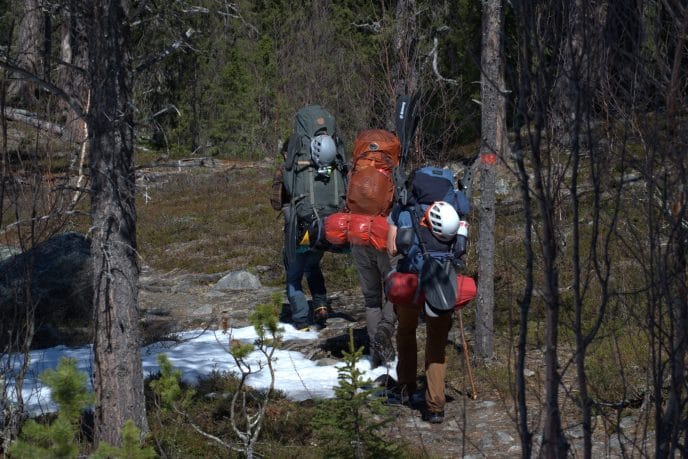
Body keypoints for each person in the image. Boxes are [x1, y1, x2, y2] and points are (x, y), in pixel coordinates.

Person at [386, 179, 469, 424]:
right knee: (437, 344)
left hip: (411, 283)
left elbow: (392, 249)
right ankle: (435, 406)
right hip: (443, 283)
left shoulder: (406, 210)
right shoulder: (455, 210)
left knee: (406, 332)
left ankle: (406, 389)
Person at [271, 135, 334, 330]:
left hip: (298, 231)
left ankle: (301, 320)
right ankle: (321, 306)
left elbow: (275, 202)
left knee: (294, 274)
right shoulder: (322, 166)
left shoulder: (286, 169)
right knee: (313, 267)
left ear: (287, 153)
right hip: (322, 228)